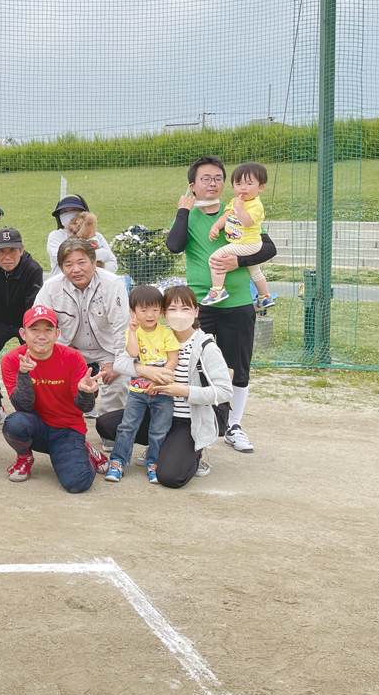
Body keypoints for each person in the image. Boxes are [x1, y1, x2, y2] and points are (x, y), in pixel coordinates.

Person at [166, 155, 278, 453]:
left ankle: (234, 426)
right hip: (198, 305)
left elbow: (269, 248)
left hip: (238, 302)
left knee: (237, 366)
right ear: (193, 185)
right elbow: (174, 245)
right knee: (188, 365)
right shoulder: (189, 216)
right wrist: (182, 211)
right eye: (205, 178)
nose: (213, 183)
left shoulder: (238, 209)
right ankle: (186, 423)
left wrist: (238, 261)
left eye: (218, 178)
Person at [97, 286, 233, 488]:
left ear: (196, 312)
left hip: (186, 420)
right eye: (172, 309)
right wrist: (145, 370)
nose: (179, 314)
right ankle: (157, 449)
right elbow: (120, 363)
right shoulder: (154, 334)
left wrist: (183, 391)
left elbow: (225, 391)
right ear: (164, 312)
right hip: (153, 407)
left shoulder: (205, 346)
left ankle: (195, 450)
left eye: (185, 308)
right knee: (106, 424)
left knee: (170, 476)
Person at [33, 237, 129, 450]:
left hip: (108, 348)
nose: (75, 269)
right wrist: (48, 360)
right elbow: (37, 326)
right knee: (54, 381)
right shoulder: (51, 288)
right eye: (68, 264)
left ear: (94, 262)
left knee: (120, 380)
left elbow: (122, 327)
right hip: (69, 349)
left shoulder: (112, 283)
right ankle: (61, 429)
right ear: (61, 267)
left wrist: (118, 362)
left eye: (81, 262)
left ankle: (109, 431)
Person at [0, 305, 108, 493]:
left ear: (57, 334)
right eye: (34, 329)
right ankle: (24, 457)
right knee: (14, 424)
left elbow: (84, 407)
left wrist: (85, 392)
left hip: (67, 428)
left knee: (78, 484)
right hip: (36, 425)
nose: (41, 336)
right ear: (23, 334)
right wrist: (24, 374)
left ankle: (82, 448)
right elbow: (23, 406)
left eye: (48, 330)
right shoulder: (11, 360)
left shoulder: (73, 357)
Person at [104, 286, 180, 484]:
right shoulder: (132, 332)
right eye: (144, 310)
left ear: (161, 311)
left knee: (159, 429)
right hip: (137, 392)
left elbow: (173, 359)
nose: (150, 315)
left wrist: (158, 379)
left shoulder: (166, 332)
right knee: (127, 427)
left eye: (155, 309)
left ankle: (153, 463)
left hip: (162, 391)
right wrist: (132, 330)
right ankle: (118, 462)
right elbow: (132, 353)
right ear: (133, 312)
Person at [0, 226, 44, 429]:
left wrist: (29, 340)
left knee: (36, 359)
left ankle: (38, 406)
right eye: (1, 251)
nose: (7, 256)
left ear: (22, 250)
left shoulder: (33, 269)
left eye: (12, 251)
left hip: (26, 321)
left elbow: (31, 308)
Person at [202, 162, 276, 309]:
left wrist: (239, 208)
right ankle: (264, 297)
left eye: (249, 183)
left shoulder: (255, 205)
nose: (243, 188)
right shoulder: (235, 202)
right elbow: (226, 216)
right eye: (238, 184)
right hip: (243, 243)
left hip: (248, 244)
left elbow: (247, 222)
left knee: (215, 259)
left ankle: (217, 290)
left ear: (261, 187)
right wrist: (215, 226)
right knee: (254, 271)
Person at [45, 195, 117, 277]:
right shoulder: (56, 236)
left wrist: (94, 272)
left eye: (74, 210)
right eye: (64, 212)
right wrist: (97, 255)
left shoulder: (97, 236)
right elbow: (63, 259)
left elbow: (112, 264)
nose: (69, 214)